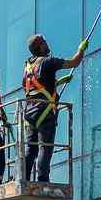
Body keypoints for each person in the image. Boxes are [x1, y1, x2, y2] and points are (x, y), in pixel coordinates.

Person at [22, 33, 86, 183]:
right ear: (39, 46)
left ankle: (23, 177)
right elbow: (74, 62)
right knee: (46, 146)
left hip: (30, 112)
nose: (47, 44)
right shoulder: (47, 62)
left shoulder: (28, 67)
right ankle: (42, 178)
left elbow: (36, 86)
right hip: (45, 111)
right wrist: (81, 49)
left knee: (31, 149)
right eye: (44, 42)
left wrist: (57, 83)